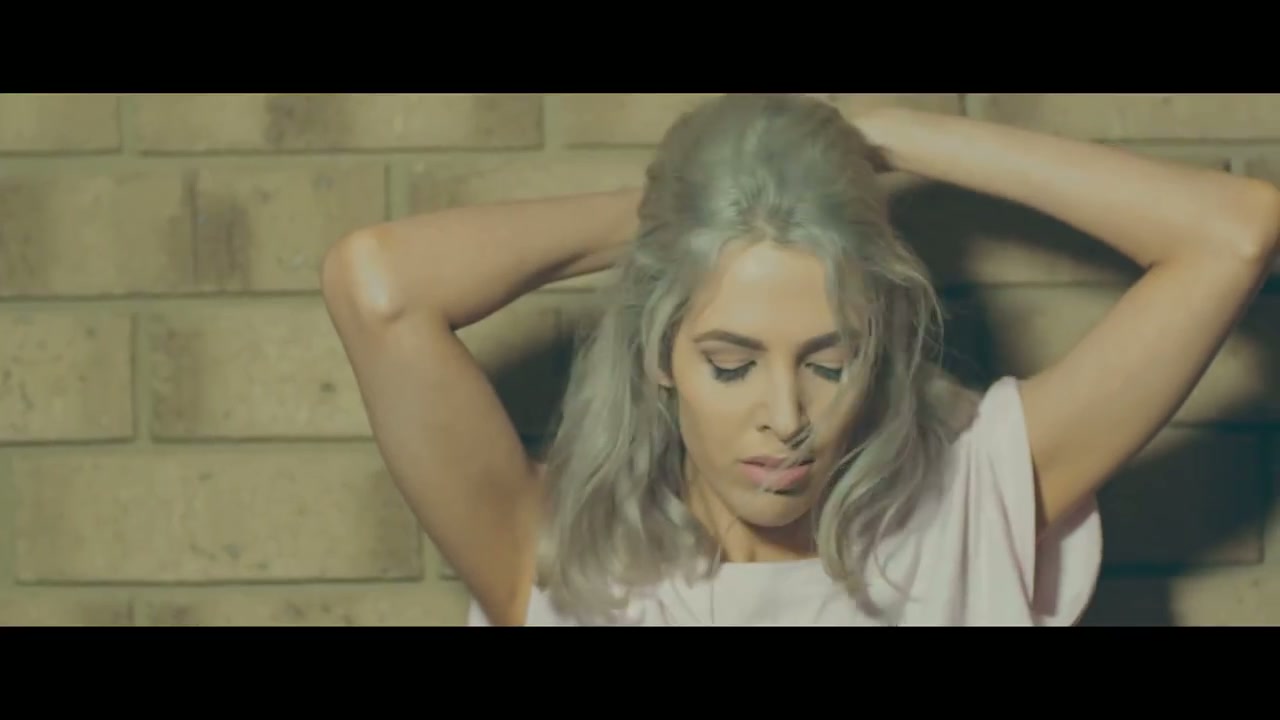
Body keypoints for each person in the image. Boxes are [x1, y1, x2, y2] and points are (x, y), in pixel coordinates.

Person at [321, 94, 1280, 626]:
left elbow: (1236, 232)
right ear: (659, 355)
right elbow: (378, 284)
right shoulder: (566, 566)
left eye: (830, 362)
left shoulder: (971, 501)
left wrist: (880, 136)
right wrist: (700, 216)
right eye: (731, 364)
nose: (786, 418)